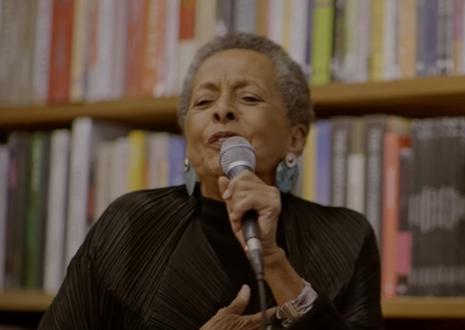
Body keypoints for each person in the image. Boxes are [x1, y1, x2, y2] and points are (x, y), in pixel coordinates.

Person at [39, 33, 382, 329]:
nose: (222, 110)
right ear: (187, 135)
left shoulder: (345, 237)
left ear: (294, 138)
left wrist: (275, 262)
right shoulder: (131, 225)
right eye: (204, 101)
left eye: (249, 97)